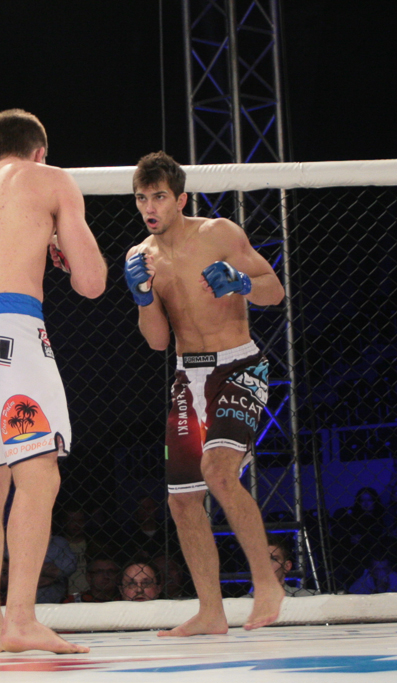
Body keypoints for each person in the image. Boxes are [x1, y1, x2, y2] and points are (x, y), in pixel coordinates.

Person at [0, 109, 106, 653]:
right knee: (38, 478)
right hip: (12, 325)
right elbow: (92, 282)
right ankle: (23, 620)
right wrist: (61, 250)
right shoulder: (50, 179)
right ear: (39, 152)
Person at [124, 151, 285, 636]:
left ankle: (266, 584)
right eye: (141, 198)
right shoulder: (140, 257)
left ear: (180, 199)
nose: (150, 207)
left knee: (218, 471)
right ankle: (211, 611)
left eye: (158, 197)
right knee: (181, 501)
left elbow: (274, 290)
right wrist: (143, 297)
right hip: (187, 377)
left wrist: (240, 282)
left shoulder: (218, 233)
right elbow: (157, 341)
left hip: (239, 365)